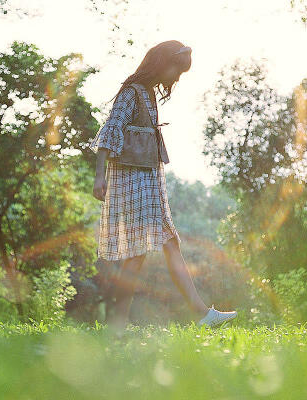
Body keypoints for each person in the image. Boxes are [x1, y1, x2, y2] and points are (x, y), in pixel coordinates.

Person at [89, 40, 237, 333]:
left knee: (143, 252)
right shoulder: (131, 93)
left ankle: (118, 324)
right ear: (161, 63)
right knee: (162, 244)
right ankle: (201, 314)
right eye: (176, 70)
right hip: (132, 180)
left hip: (147, 179)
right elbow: (110, 130)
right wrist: (99, 175)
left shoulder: (147, 94)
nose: (177, 77)